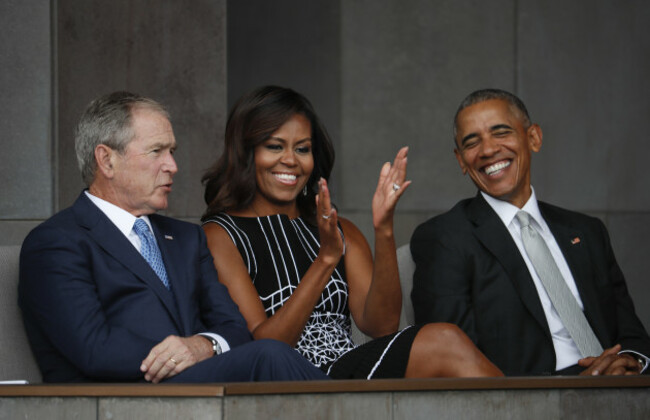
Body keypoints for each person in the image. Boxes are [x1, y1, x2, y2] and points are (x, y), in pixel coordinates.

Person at [18, 91, 328, 383]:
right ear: (107, 160)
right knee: (269, 355)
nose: (173, 166)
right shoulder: (57, 243)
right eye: (157, 151)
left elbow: (235, 330)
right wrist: (179, 355)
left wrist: (203, 347)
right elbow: (93, 348)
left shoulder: (186, 238)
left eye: (172, 152)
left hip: (202, 393)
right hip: (120, 398)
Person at [201, 85, 502, 379]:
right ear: (246, 152)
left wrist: (383, 228)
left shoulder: (340, 228)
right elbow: (266, 349)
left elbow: (382, 326)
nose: (291, 160)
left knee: (443, 341)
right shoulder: (221, 235)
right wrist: (325, 260)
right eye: (274, 146)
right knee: (443, 340)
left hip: (346, 371)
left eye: (303, 149)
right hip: (289, 379)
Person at [410, 88, 650, 376]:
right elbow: (453, 362)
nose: (488, 150)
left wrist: (630, 364)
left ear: (533, 138)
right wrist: (568, 393)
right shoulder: (444, 239)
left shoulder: (587, 232)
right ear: (461, 160)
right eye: (472, 142)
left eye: (500, 133)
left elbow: (633, 336)